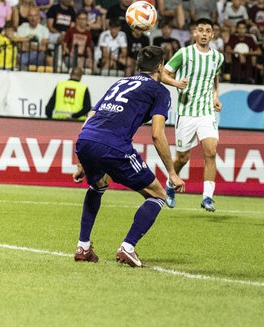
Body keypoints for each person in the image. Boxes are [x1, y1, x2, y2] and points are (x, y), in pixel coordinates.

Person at [72, 46, 185, 267]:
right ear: (161, 67)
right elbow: (157, 134)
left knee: (99, 184)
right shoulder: (160, 91)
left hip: (86, 139)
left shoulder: (120, 82)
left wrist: (81, 161)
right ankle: (128, 247)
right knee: (158, 194)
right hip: (113, 145)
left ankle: (83, 246)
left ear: (138, 65)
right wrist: (172, 172)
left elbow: (92, 115)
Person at [162, 18, 224, 212]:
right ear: (195, 33)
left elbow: (214, 78)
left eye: (208, 30)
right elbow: (163, 74)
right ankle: (171, 184)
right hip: (186, 113)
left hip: (206, 113)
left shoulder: (218, 57)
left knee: (211, 151)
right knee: (182, 158)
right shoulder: (184, 53)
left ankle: (207, 197)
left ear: (213, 35)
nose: (204, 34)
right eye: (201, 30)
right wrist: (176, 84)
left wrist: (215, 96)